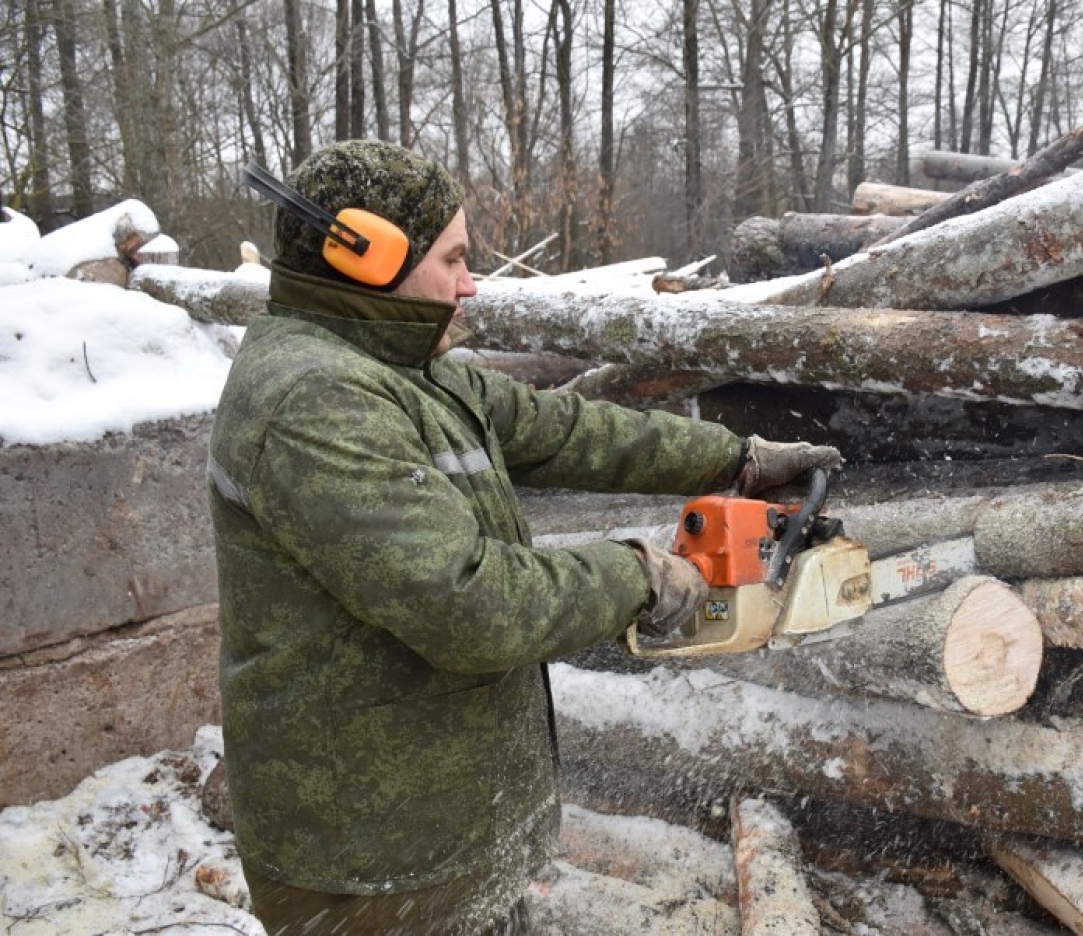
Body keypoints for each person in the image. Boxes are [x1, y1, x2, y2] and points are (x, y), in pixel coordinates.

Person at [206, 139, 840, 935]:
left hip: (440, 832)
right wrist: (637, 578)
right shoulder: (314, 399)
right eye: (454, 259)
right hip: (371, 867)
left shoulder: (401, 365)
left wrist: (735, 460)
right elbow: (469, 604)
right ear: (367, 258)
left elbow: (557, 426)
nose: (470, 283)